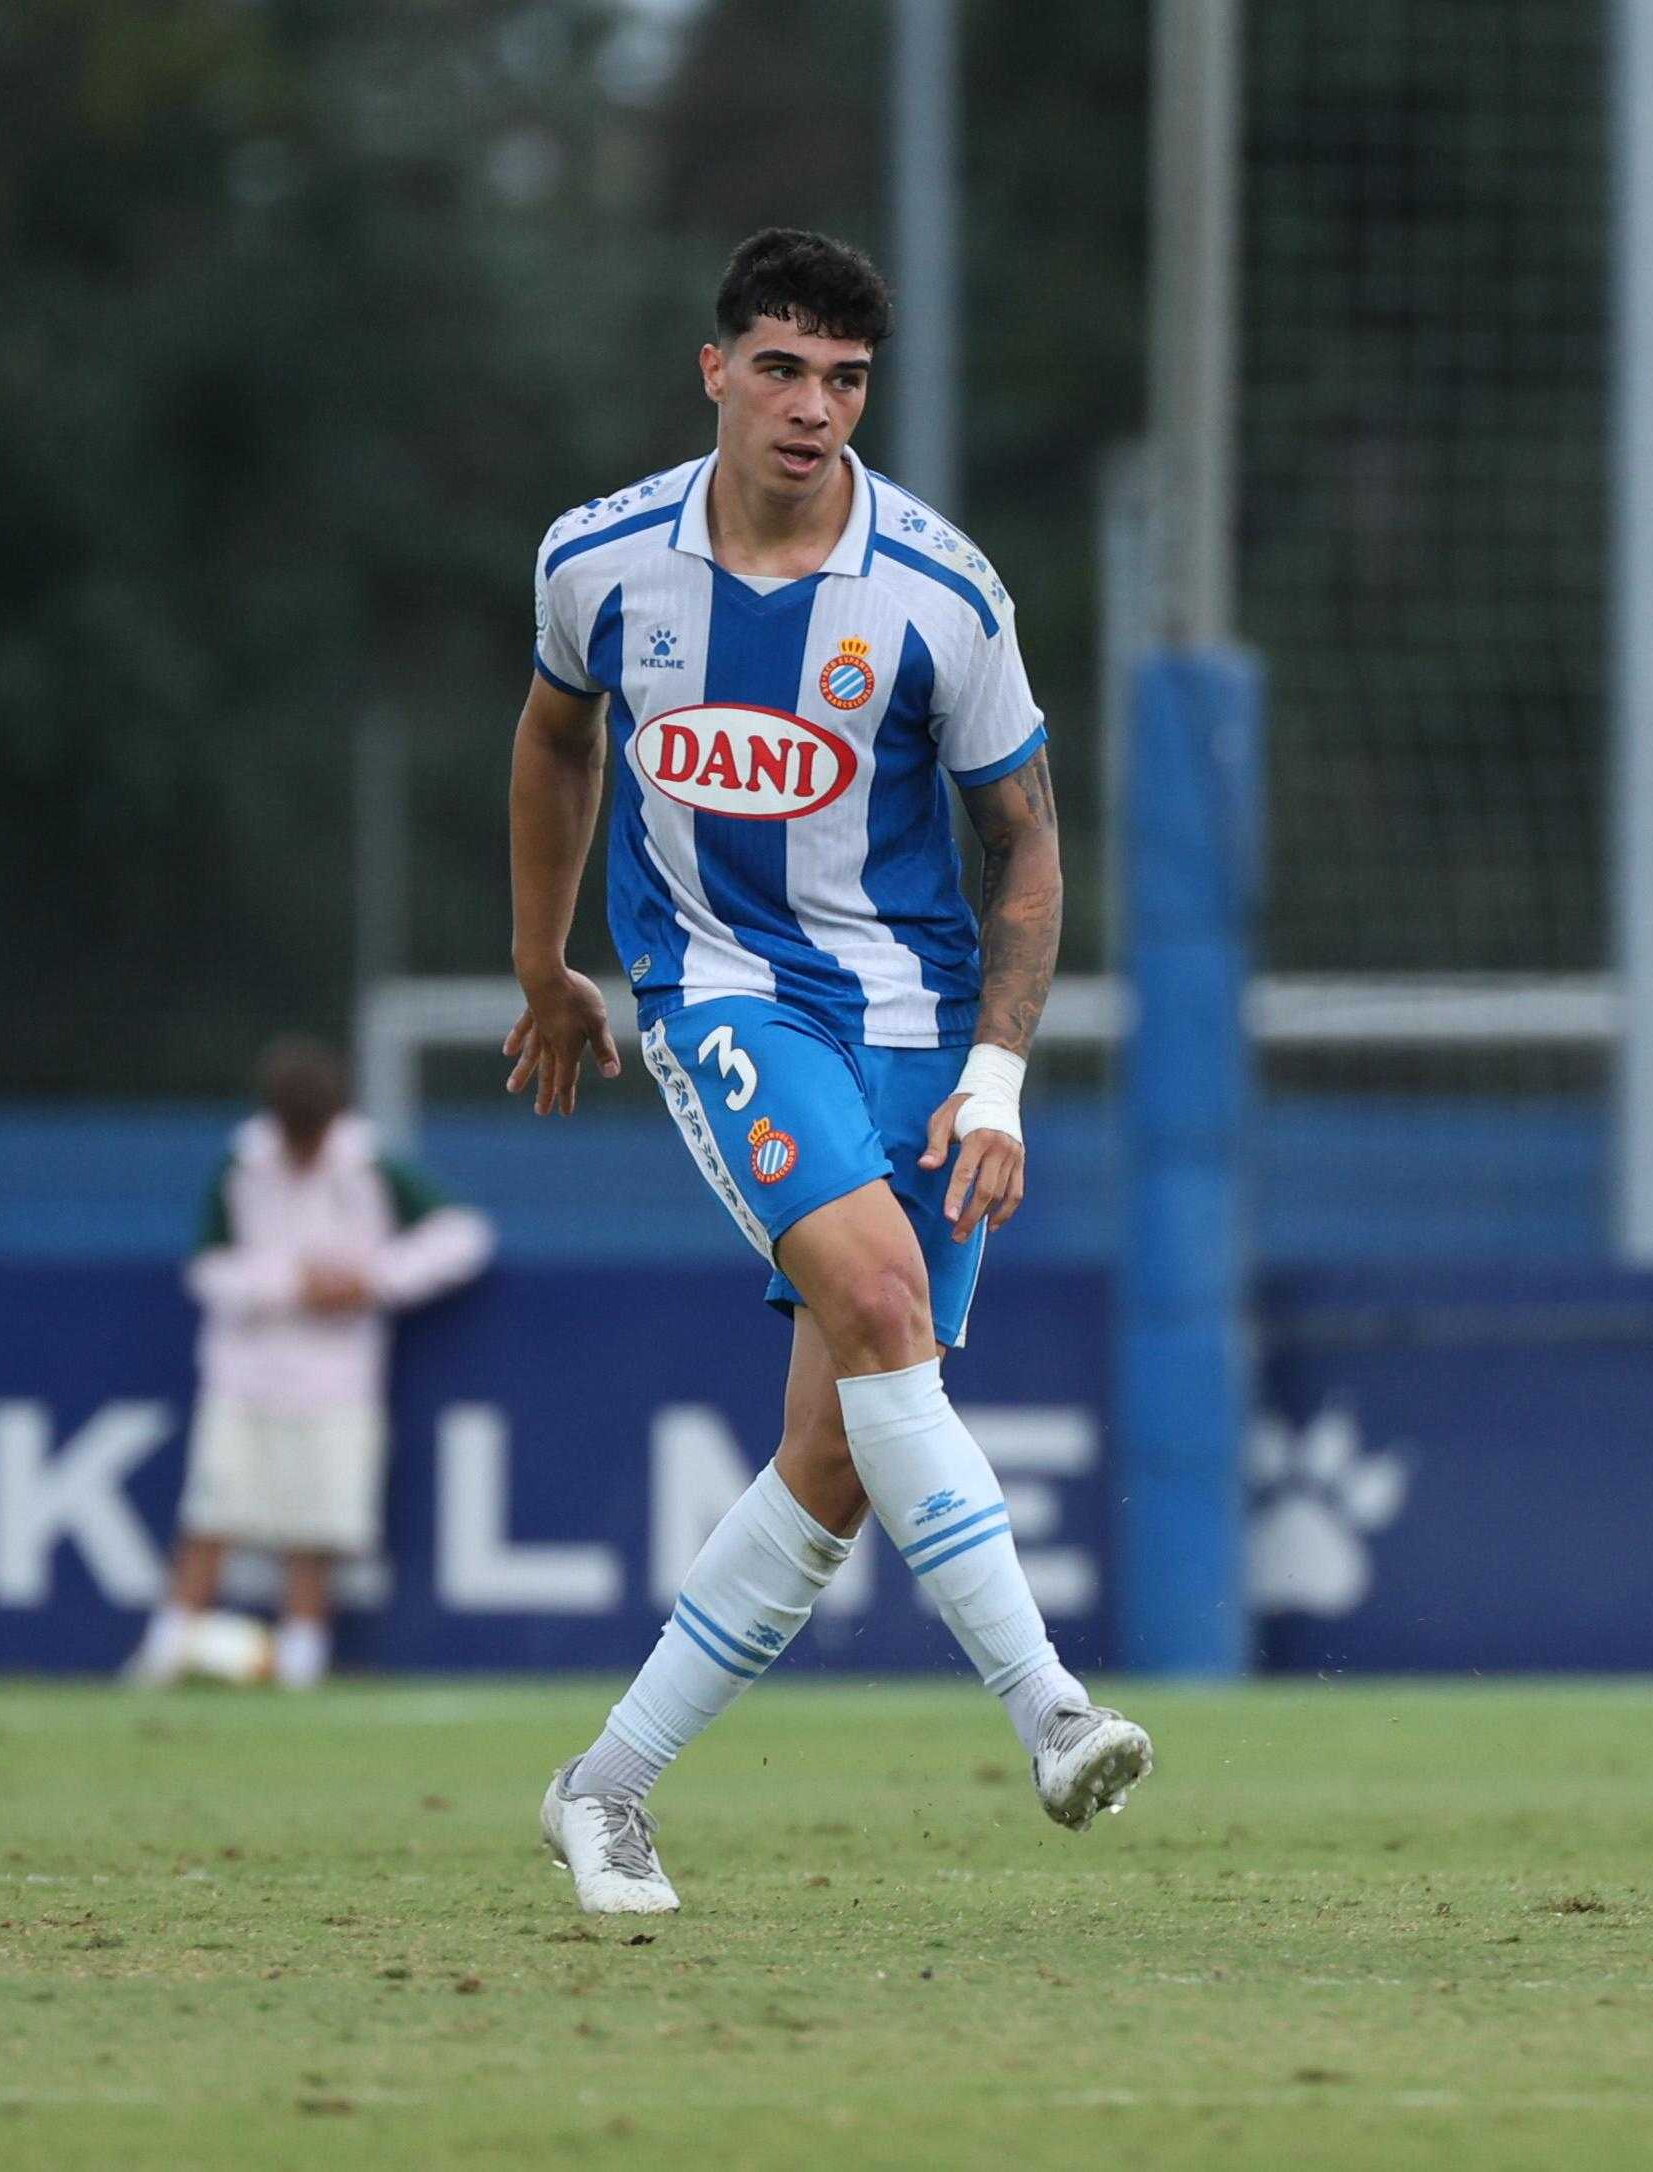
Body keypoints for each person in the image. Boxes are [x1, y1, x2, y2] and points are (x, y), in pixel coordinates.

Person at [506, 227, 1148, 1915]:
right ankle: (1050, 1710)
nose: (811, 409)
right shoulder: (599, 562)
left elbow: (1025, 843)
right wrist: (543, 962)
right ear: (713, 370)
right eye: (781, 370)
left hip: (915, 1019)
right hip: (722, 993)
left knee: (842, 1449)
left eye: (845, 380)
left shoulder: (941, 590)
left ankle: (603, 1788)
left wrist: (994, 1074)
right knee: (877, 1297)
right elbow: (556, 737)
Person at [125, 1036, 492, 1691]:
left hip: (337, 1380)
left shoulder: (370, 1164)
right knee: (212, 1515)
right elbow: (208, 1271)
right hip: (243, 1374)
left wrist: (371, 1280)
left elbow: (463, 1237)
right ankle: (165, 1652)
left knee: (314, 1529)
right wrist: (292, 1285)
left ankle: (300, 1661)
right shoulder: (242, 1165)